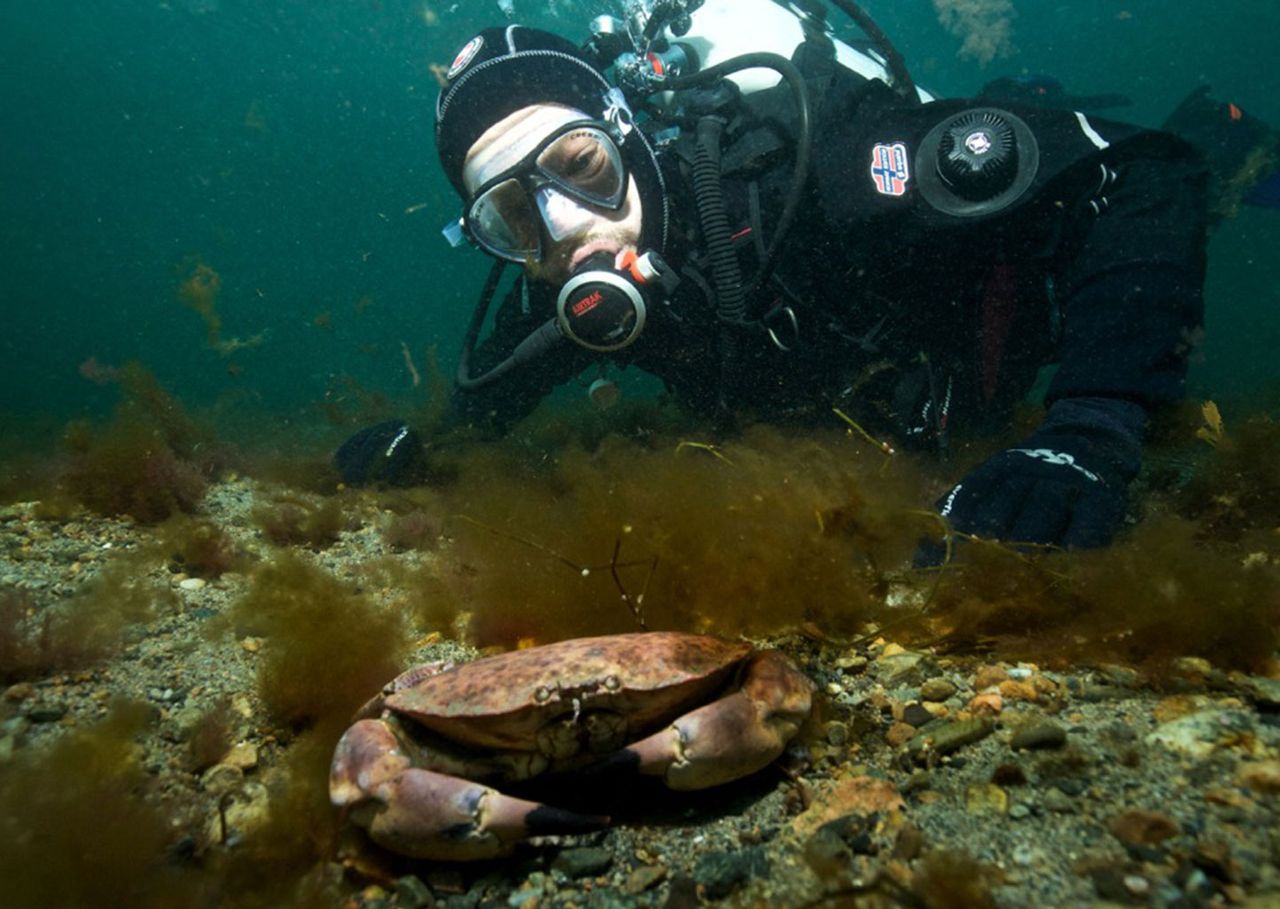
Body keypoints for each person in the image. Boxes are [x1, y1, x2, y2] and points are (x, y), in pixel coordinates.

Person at [340, 8, 1223, 558]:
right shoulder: (568, 305)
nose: (570, 231)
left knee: (1147, 165)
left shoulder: (818, 171)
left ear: (633, 139)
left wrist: (1090, 424)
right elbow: (484, 412)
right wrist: (421, 451)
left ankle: (1210, 122)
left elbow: (1144, 171)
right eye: (514, 219)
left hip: (1007, 317)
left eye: (582, 166)